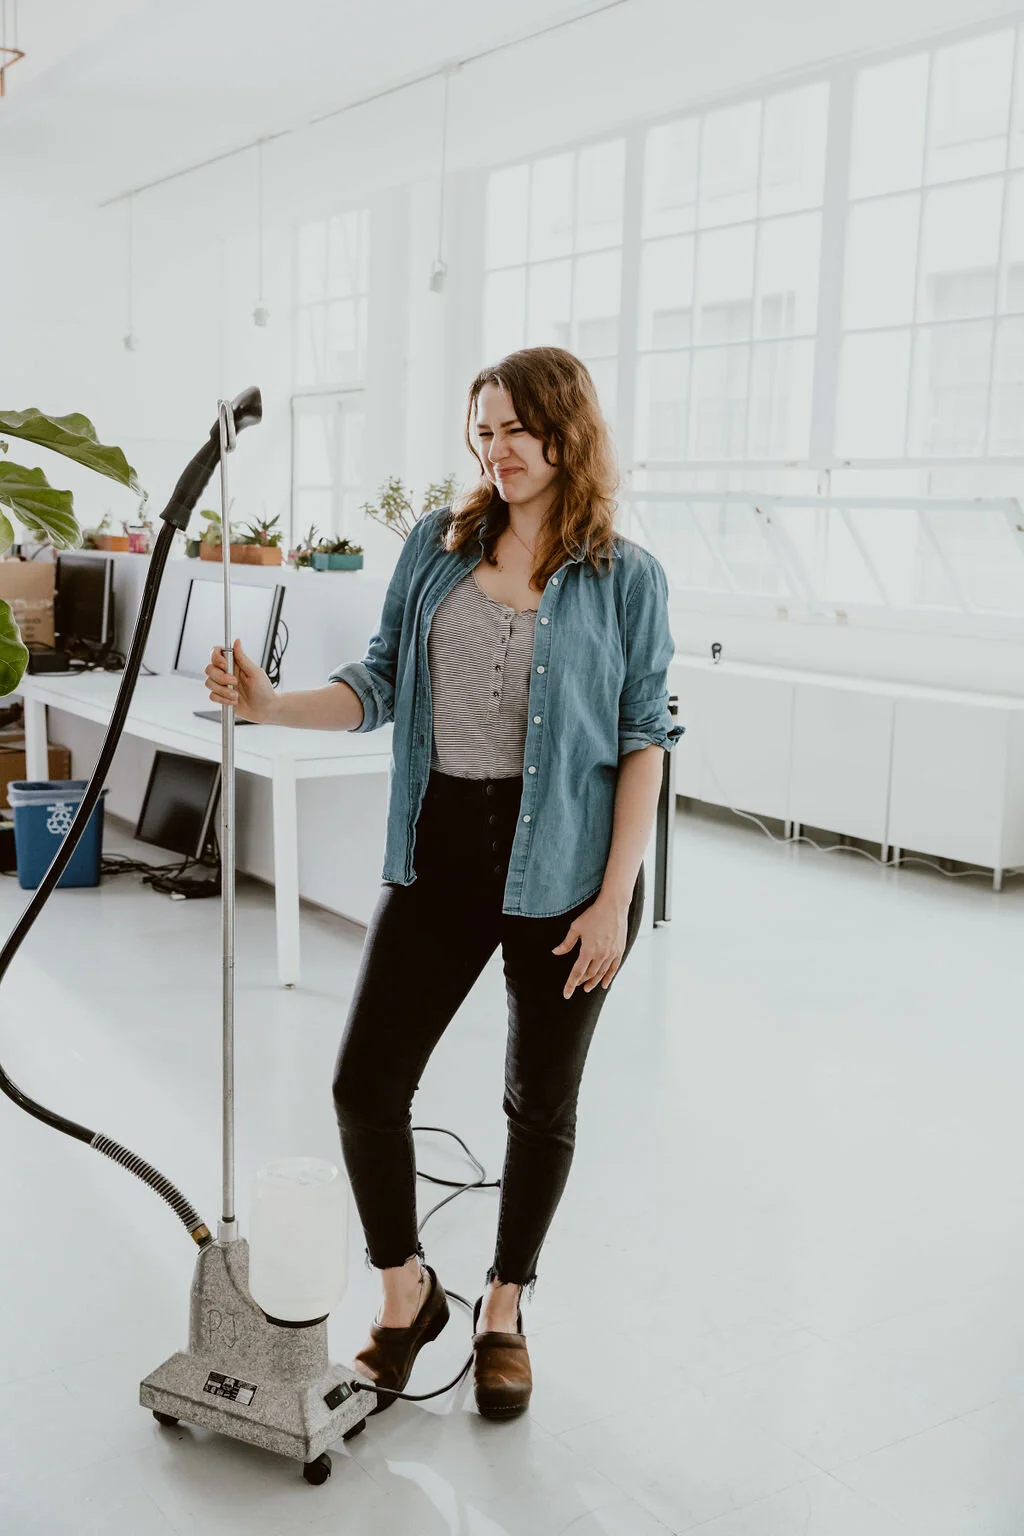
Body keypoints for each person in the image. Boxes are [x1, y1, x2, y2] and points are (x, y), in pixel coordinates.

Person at [205, 345, 683, 1419]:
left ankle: (504, 1309)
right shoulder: (438, 544)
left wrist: (614, 900)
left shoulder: (627, 577)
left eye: (516, 427)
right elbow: (380, 680)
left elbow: (646, 737)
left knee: (538, 1103)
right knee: (364, 1086)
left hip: (568, 865)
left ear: (567, 429)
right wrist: (274, 703)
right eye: (482, 428)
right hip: (442, 850)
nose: (495, 447)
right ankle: (406, 1290)